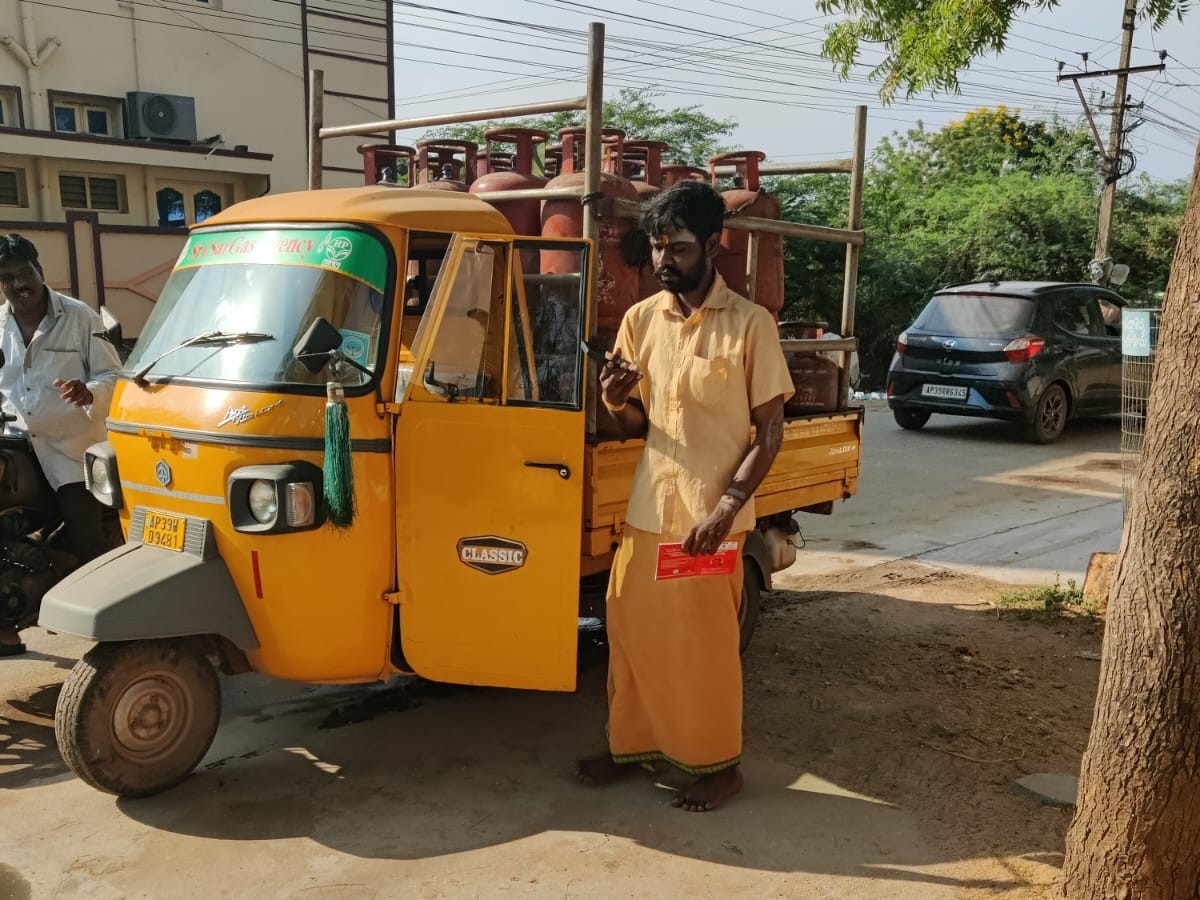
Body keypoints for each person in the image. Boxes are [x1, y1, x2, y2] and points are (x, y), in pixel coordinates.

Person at [576, 181, 795, 812]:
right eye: (656, 247)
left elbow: (770, 430)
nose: (664, 260)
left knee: (703, 649)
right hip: (650, 511)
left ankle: (719, 767)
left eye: (677, 248)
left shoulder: (751, 325)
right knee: (631, 633)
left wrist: (727, 508)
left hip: (710, 522)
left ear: (713, 244)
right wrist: (613, 400)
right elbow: (636, 424)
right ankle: (632, 746)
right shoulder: (641, 320)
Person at [0, 234, 122, 656]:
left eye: (25, 273)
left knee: (87, 538)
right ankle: (7, 622)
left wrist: (89, 392)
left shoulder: (79, 316)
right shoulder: (0, 324)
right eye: (8, 278)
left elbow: (113, 376)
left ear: (40, 270)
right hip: (16, 446)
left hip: (71, 448)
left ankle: (110, 629)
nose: (19, 284)